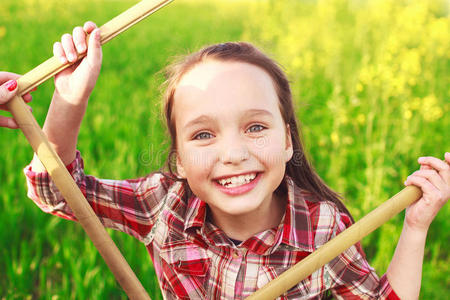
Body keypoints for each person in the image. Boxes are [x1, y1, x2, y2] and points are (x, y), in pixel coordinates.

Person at [21, 21, 449, 299]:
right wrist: (69, 100)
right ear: (181, 162)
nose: (233, 154)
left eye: (256, 127)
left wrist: (414, 227)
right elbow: (56, 191)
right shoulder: (165, 204)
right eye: (204, 134)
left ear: (288, 141)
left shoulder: (323, 230)